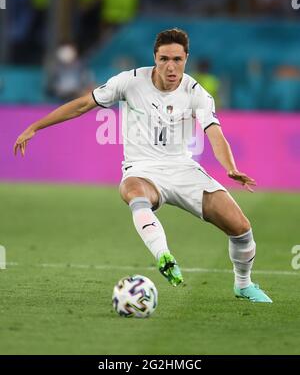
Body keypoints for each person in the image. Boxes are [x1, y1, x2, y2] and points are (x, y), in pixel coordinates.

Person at [14, 28, 272, 303]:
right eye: (164, 59)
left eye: (177, 59)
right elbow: (82, 105)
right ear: (155, 58)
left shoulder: (197, 93)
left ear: (186, 58)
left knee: (241, 228)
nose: (170, 66)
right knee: (133, 192)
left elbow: (214, 133)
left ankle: (243, 285)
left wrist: (230, 167)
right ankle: (163, 255)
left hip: (183, 169)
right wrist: (36, 126)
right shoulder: (129, 81)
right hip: (142, 169)